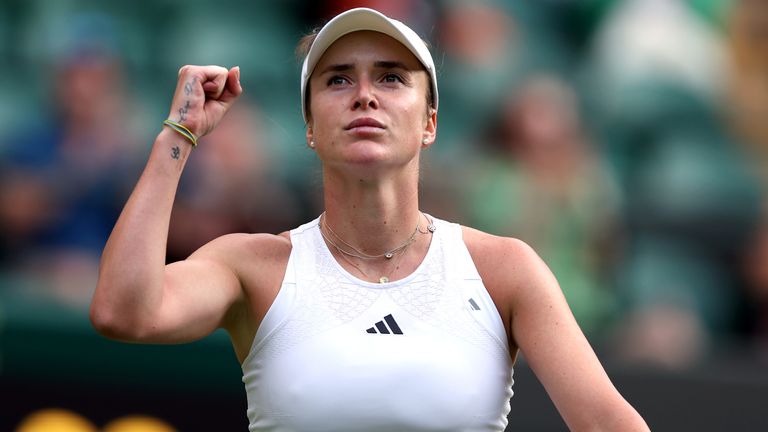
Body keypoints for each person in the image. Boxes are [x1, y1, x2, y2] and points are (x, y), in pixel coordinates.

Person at [90, 7, 649, 431]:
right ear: (310, 129)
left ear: (429, 122)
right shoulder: (251, 266)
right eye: (337, 79)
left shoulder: (506, 269)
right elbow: (123, 312)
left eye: (390, 77)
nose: (363, 96)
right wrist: (179, 135)